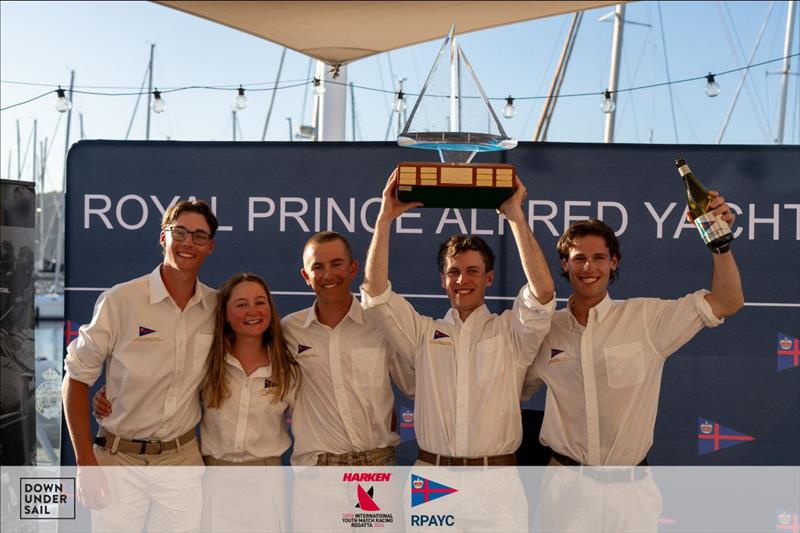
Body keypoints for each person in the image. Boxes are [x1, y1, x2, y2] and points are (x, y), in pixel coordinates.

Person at [525, 191, 744, 468]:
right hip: (562, 486)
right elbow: (509, 389)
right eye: (579, 258)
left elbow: (727, 302)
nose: (589, 267)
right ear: (565, 264)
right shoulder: (544, 329)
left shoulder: (646, 318)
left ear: (613, 262)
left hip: (630, 490)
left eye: (599, 258)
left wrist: (719, 244)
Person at [360, 171, 556, 466]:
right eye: (453, 272)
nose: (462, 279)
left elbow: (542, 293)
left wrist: (515, 215)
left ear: (489, 277)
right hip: (432, 478)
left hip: (497, 482)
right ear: (442, 279)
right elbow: (375, 296)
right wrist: (383, 220)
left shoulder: (511, 331)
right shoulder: (423, 333)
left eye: (473, 271)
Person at [95, 272, 298, 532]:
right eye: (241, 304)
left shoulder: (287, 369)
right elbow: (163, 386)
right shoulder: (208, 363)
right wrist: (110, 394)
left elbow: (311, 416)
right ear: (224, 313)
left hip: (268, 480)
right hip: (213, 479)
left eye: (260, 302)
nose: (252, 311)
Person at [62, 199, 218, 530]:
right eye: (180, 232)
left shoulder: (217, 307)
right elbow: (75, 378)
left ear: (210, 247)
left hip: (181, 462)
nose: (189, 242)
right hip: (118, 460)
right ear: (163, 238)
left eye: (199, 236)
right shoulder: (121, 300)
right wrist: (85, 464)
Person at [282, 230, 415, 466]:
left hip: (377, 464)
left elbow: (416, 387)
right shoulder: (289, 330)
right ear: (306, 275)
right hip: (318, 474)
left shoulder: (380, 324)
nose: (328, 274)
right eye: (318, 267)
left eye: (336, 264)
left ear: (353, 268)